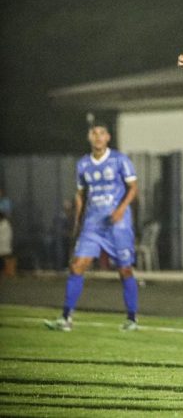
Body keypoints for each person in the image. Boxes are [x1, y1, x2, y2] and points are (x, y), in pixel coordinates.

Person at [45, 123, 139, 331]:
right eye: (94, 134)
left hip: (117, 225)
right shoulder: (83, 164)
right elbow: (80, 195)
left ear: (108, 138)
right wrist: (77, 222)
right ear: (89, 138)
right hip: (93, 224)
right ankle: (66, 318)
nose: (98, 137)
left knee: (124, 270)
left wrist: (121, 210)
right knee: (77, 265)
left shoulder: (119, 160)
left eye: (101, 133)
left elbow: (133, 188)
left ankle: (132, 319)